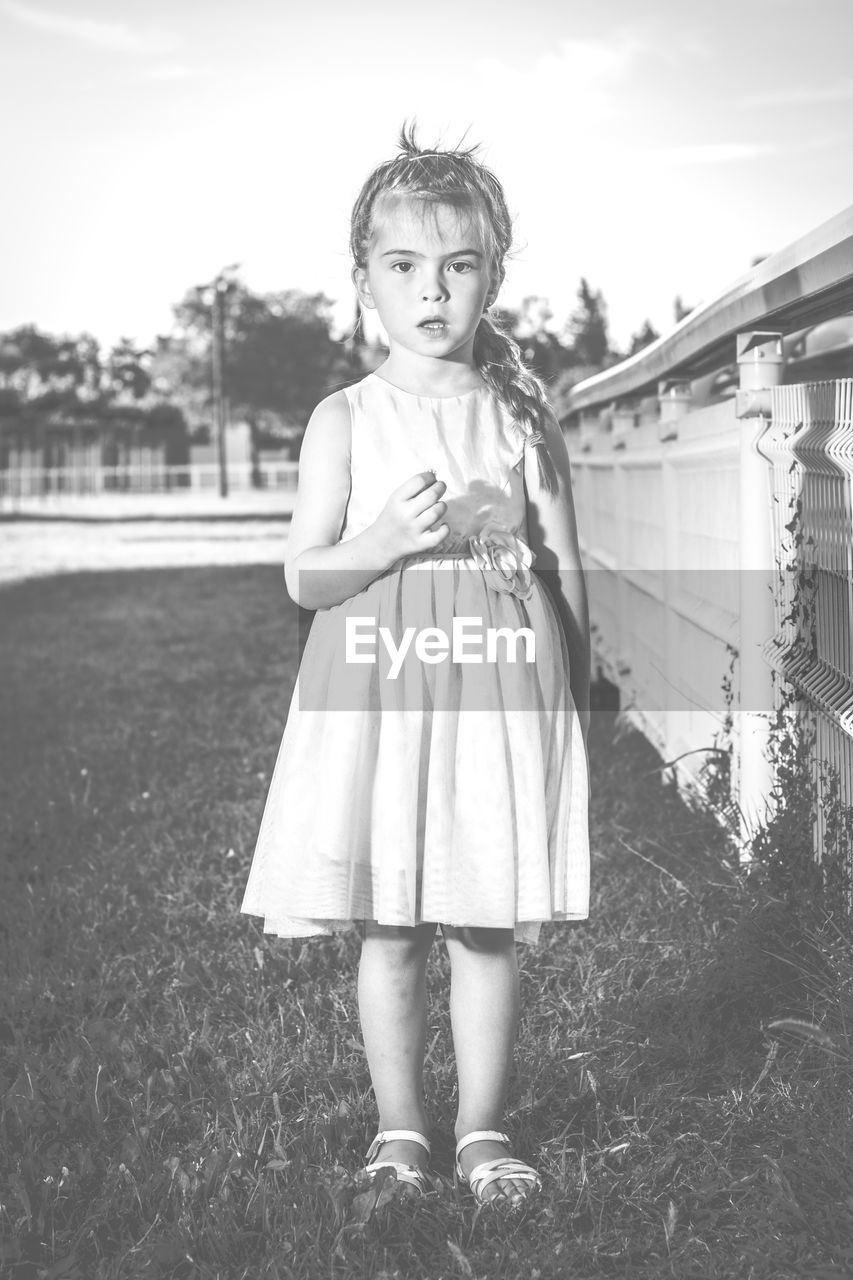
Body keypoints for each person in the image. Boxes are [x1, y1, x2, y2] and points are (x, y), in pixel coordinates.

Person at [241, 120, 591, 1211]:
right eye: (404, 266)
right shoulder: (344, 419)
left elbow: (566, 569)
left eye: (457, 264)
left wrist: (573, 703)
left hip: (495, 694)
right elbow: (305, 575)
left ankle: (483, 1129)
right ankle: (402, 1129)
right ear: (364, 280)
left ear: (490, 276)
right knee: (391, 921)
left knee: (485, 919)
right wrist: (382, 541)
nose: (430, 290)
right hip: (383, 693)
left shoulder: (521, 414)